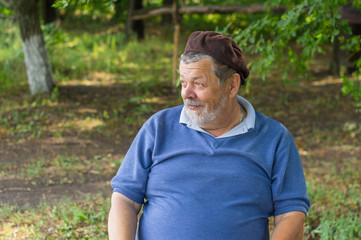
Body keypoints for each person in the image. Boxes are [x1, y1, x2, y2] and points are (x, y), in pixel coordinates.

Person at [108, 31, 310, 240]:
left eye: (199, 84)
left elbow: (291, 214)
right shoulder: (158, 128)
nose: (187, 93)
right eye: (183, 82)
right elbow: (125, 199)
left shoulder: (274, 138)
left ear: (232, 85)